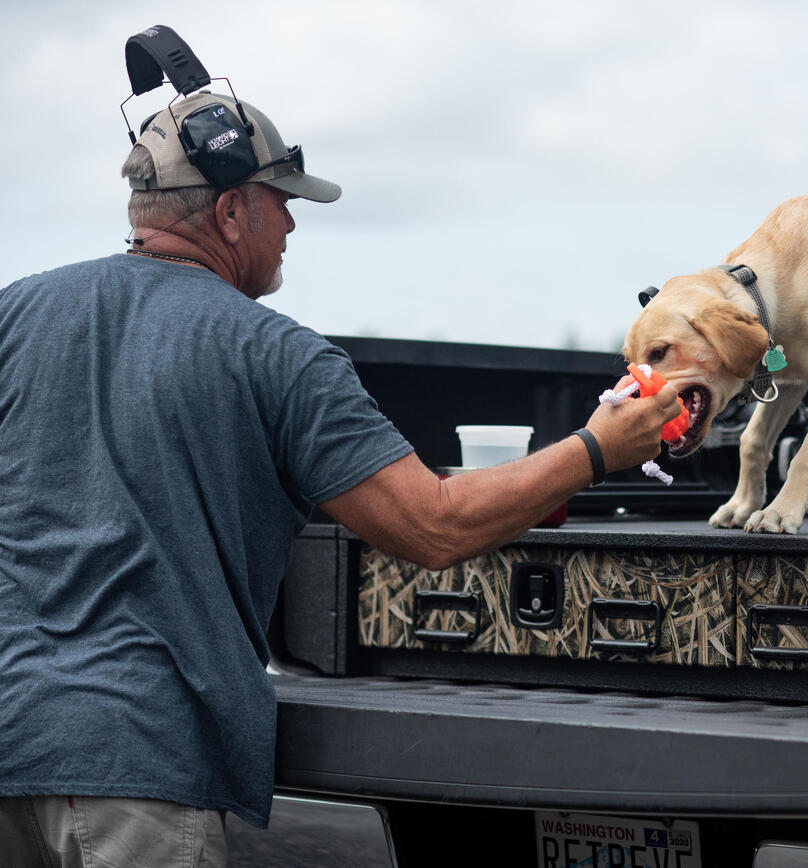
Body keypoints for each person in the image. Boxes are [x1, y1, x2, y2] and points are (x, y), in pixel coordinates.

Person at [0, 85, 680, 866]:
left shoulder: (14, 311)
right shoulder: (275, 354)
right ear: (229, 213)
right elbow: (434, 524)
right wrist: (597, 448)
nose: (291, 223)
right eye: (279, 201)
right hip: (137, 765)